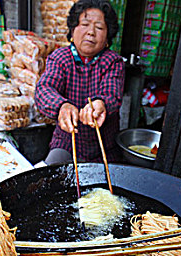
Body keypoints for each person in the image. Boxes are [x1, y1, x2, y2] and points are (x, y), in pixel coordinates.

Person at [35, 0, 125, 164]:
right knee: (49, 175)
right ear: (73, 29)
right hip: (67, 143)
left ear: (107, 36)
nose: (91, 32)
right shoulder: (60, 57)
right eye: (84, 24)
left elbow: (112, 94)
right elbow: (45, 88)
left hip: (104, 146)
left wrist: (100, 104)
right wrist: (62, 106)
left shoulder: (113, 61)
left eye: (99, 27)